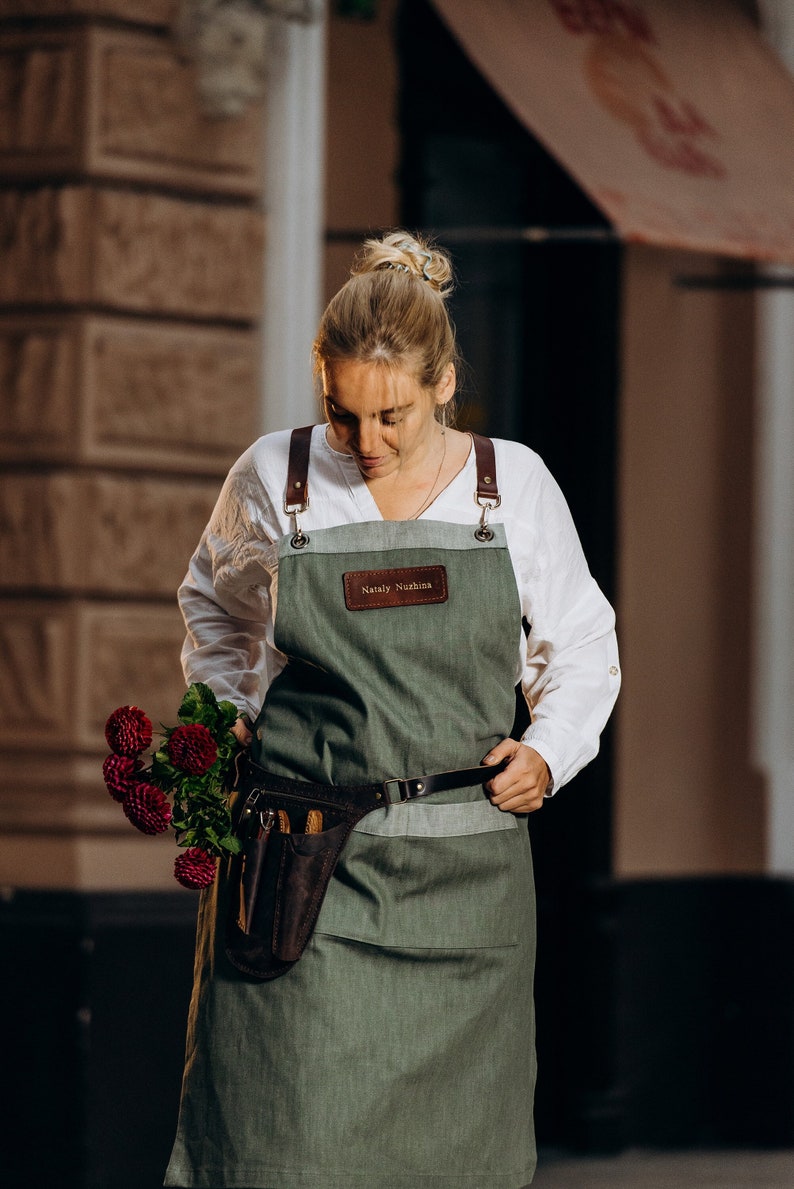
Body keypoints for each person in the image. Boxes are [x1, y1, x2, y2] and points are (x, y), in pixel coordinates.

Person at [164, 231, 620, 1189]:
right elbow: (214, 606)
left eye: (392, 417)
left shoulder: (513, 488)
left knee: (455, 1161)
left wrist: (552, 749)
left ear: (444, 383)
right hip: (305, 867)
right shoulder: (274, 480)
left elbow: (580, 643)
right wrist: (223, 708)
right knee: (287, 1146)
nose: (365, 444)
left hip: (467, 888)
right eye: (342, 415)